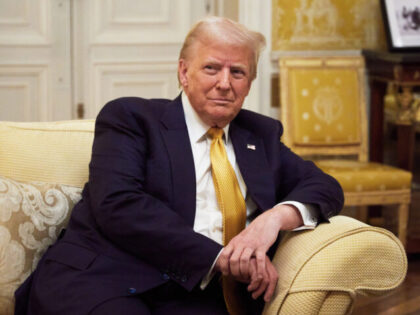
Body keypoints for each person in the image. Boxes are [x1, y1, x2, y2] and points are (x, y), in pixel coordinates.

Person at [15, 16, 343, 315]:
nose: (225, 83)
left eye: (238, 72)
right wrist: (222, 260)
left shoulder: (260, 135)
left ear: (250, 82)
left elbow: (325, 187)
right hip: (104, 278)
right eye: (212, 68)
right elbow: (118, 205)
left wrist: (272, 220)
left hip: (193, 295)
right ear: (184, 72)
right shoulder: (132, 119)